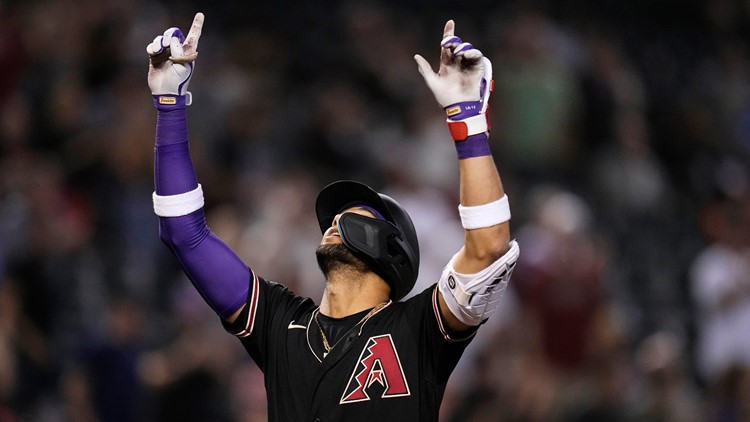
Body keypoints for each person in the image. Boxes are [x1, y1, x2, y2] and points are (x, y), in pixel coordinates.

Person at [146, 12, 519, 421]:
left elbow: (487, 249)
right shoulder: (279, 323)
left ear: (394, 250)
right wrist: (169, 105)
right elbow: (184, 234)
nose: (335, 222)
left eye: (354, 216)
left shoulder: (419, 330)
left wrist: (467, 120)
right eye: (333, 218)